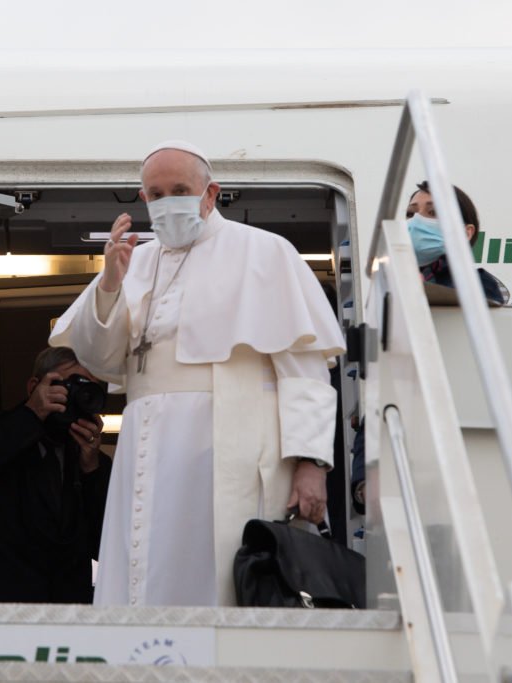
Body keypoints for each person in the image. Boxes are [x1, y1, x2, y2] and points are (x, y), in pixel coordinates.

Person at [50, 140, 346, 606]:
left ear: (211, 194)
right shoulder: (133, 260)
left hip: (228, 447)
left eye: (181, 189)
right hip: (144, 446)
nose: (169, 200)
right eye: (156, 192)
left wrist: (310, 465)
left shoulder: (266, 252)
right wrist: (109, 283)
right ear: (144, 200)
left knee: (218, 581)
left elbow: (305, 374)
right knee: (140, 572)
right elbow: (101, 360)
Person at [0, 347, 112, 603]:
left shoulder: (93, 462)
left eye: (89, 388)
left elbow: (106, 545)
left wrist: (90, 469)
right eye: (72, 383)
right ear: (35, 385)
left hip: (66, 616)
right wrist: (31, 414)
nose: (79, 395)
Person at [406, 180, 508, 305]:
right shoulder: (393, 281)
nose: (416, 221)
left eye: (433, 212)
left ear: (466, 233)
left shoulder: (476, 284)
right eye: (410, 214)